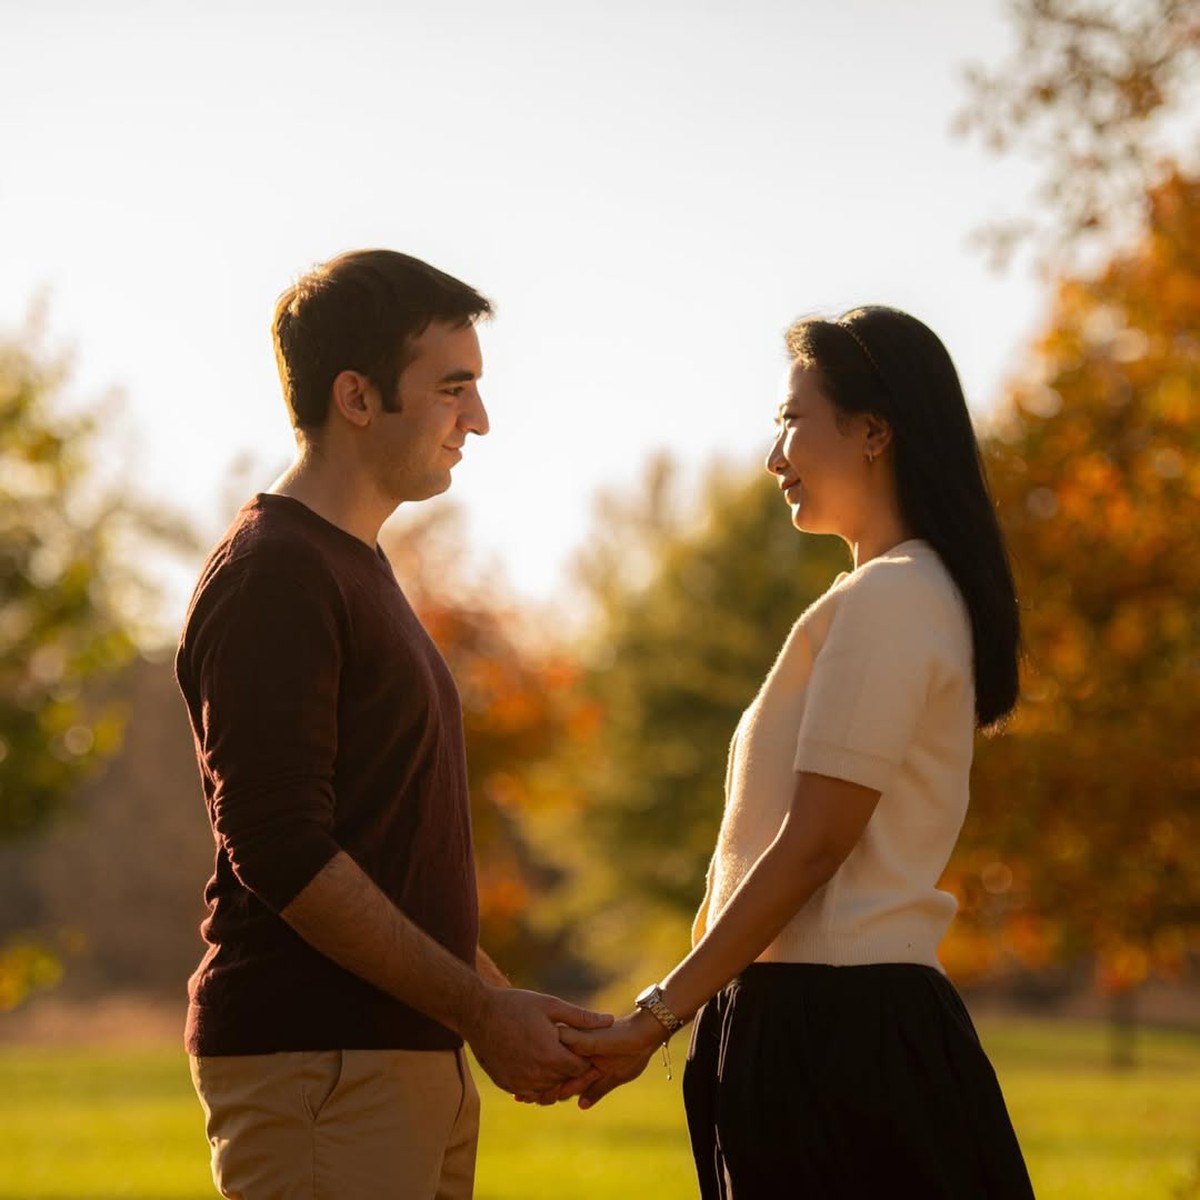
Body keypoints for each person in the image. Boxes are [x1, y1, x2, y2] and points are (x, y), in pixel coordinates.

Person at [558, 306, 1036, 1198]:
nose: (774, 456)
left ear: (873, 432)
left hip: (839, 1037)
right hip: (823, 1026)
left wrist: (655, 1017)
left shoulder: (894, 597)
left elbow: (816, 844)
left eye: (790, 420)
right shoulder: (890, 595)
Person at [174, 249, 609, 1200]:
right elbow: (278, 846)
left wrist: (491, 1002)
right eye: (453, 389)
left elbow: (387, 857)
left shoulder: (352, 565)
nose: (478, 419)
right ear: (358, 398)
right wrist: (479, 1011)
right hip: (321, 1069)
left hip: (393, 1059)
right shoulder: (275, 572)